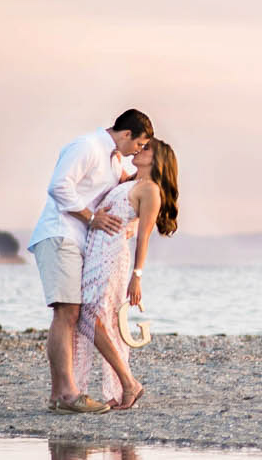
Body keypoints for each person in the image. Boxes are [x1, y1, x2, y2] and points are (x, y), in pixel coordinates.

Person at [28, 110, 152, 413]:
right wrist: (92, 217)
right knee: (66, 312)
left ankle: (61, 395)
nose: (137, 151)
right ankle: (68, 393)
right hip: (60, 235)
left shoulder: (112, 160)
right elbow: (59, 187)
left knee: (71, 314)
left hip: (77, 241)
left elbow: (126, 190)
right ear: (127, 134)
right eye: (139, 144)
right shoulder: (87, 146)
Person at [71, 137, 180, 411]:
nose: (140, 150)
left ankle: (128, 383)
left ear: (157, 160)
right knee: (97, 322)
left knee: (90, 319)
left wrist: (137, 276)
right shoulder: (127, 181)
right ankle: (118, 390)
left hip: (112, 259)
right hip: (94, 254)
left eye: (146, 149)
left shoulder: (151, 190)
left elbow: (143, 237)